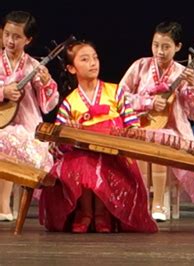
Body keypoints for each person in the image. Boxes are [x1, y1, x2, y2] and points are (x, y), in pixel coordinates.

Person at [39, 40, 157, 233]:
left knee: (102, 159)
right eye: (85, 59)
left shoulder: (116, 91)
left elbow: (132, 124)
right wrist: (70, 133)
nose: (93, 63)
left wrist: (132, 131)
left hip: (113, 155)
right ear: (71, 68)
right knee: (85, 161)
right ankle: (85, 213)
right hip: (80, 157)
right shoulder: (69, 103)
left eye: (95, 58)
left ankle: (102, 214)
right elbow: (56, 146)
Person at [119, 21, 194, 221]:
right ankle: (140, 201)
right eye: (156, 45)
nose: (160, 51)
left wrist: (192, 87)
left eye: (166, 46)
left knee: (160, 145)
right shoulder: (140, 66)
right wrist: (148, 102)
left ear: (178, 47)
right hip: (140, 125)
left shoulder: (181, 73)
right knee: (143, 143)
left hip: (173, 131)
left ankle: (157, 203)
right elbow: (120, 96)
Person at [0, 11, 58, 221]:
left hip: (27, 128)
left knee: (8, 142)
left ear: (28, 39)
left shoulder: (34, 66)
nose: (10, 41)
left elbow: (48, 105)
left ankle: (4, 205)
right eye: (7, 34)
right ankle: (3, 204)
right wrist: (3, 91)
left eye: (16, 36)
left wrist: (46, 83)